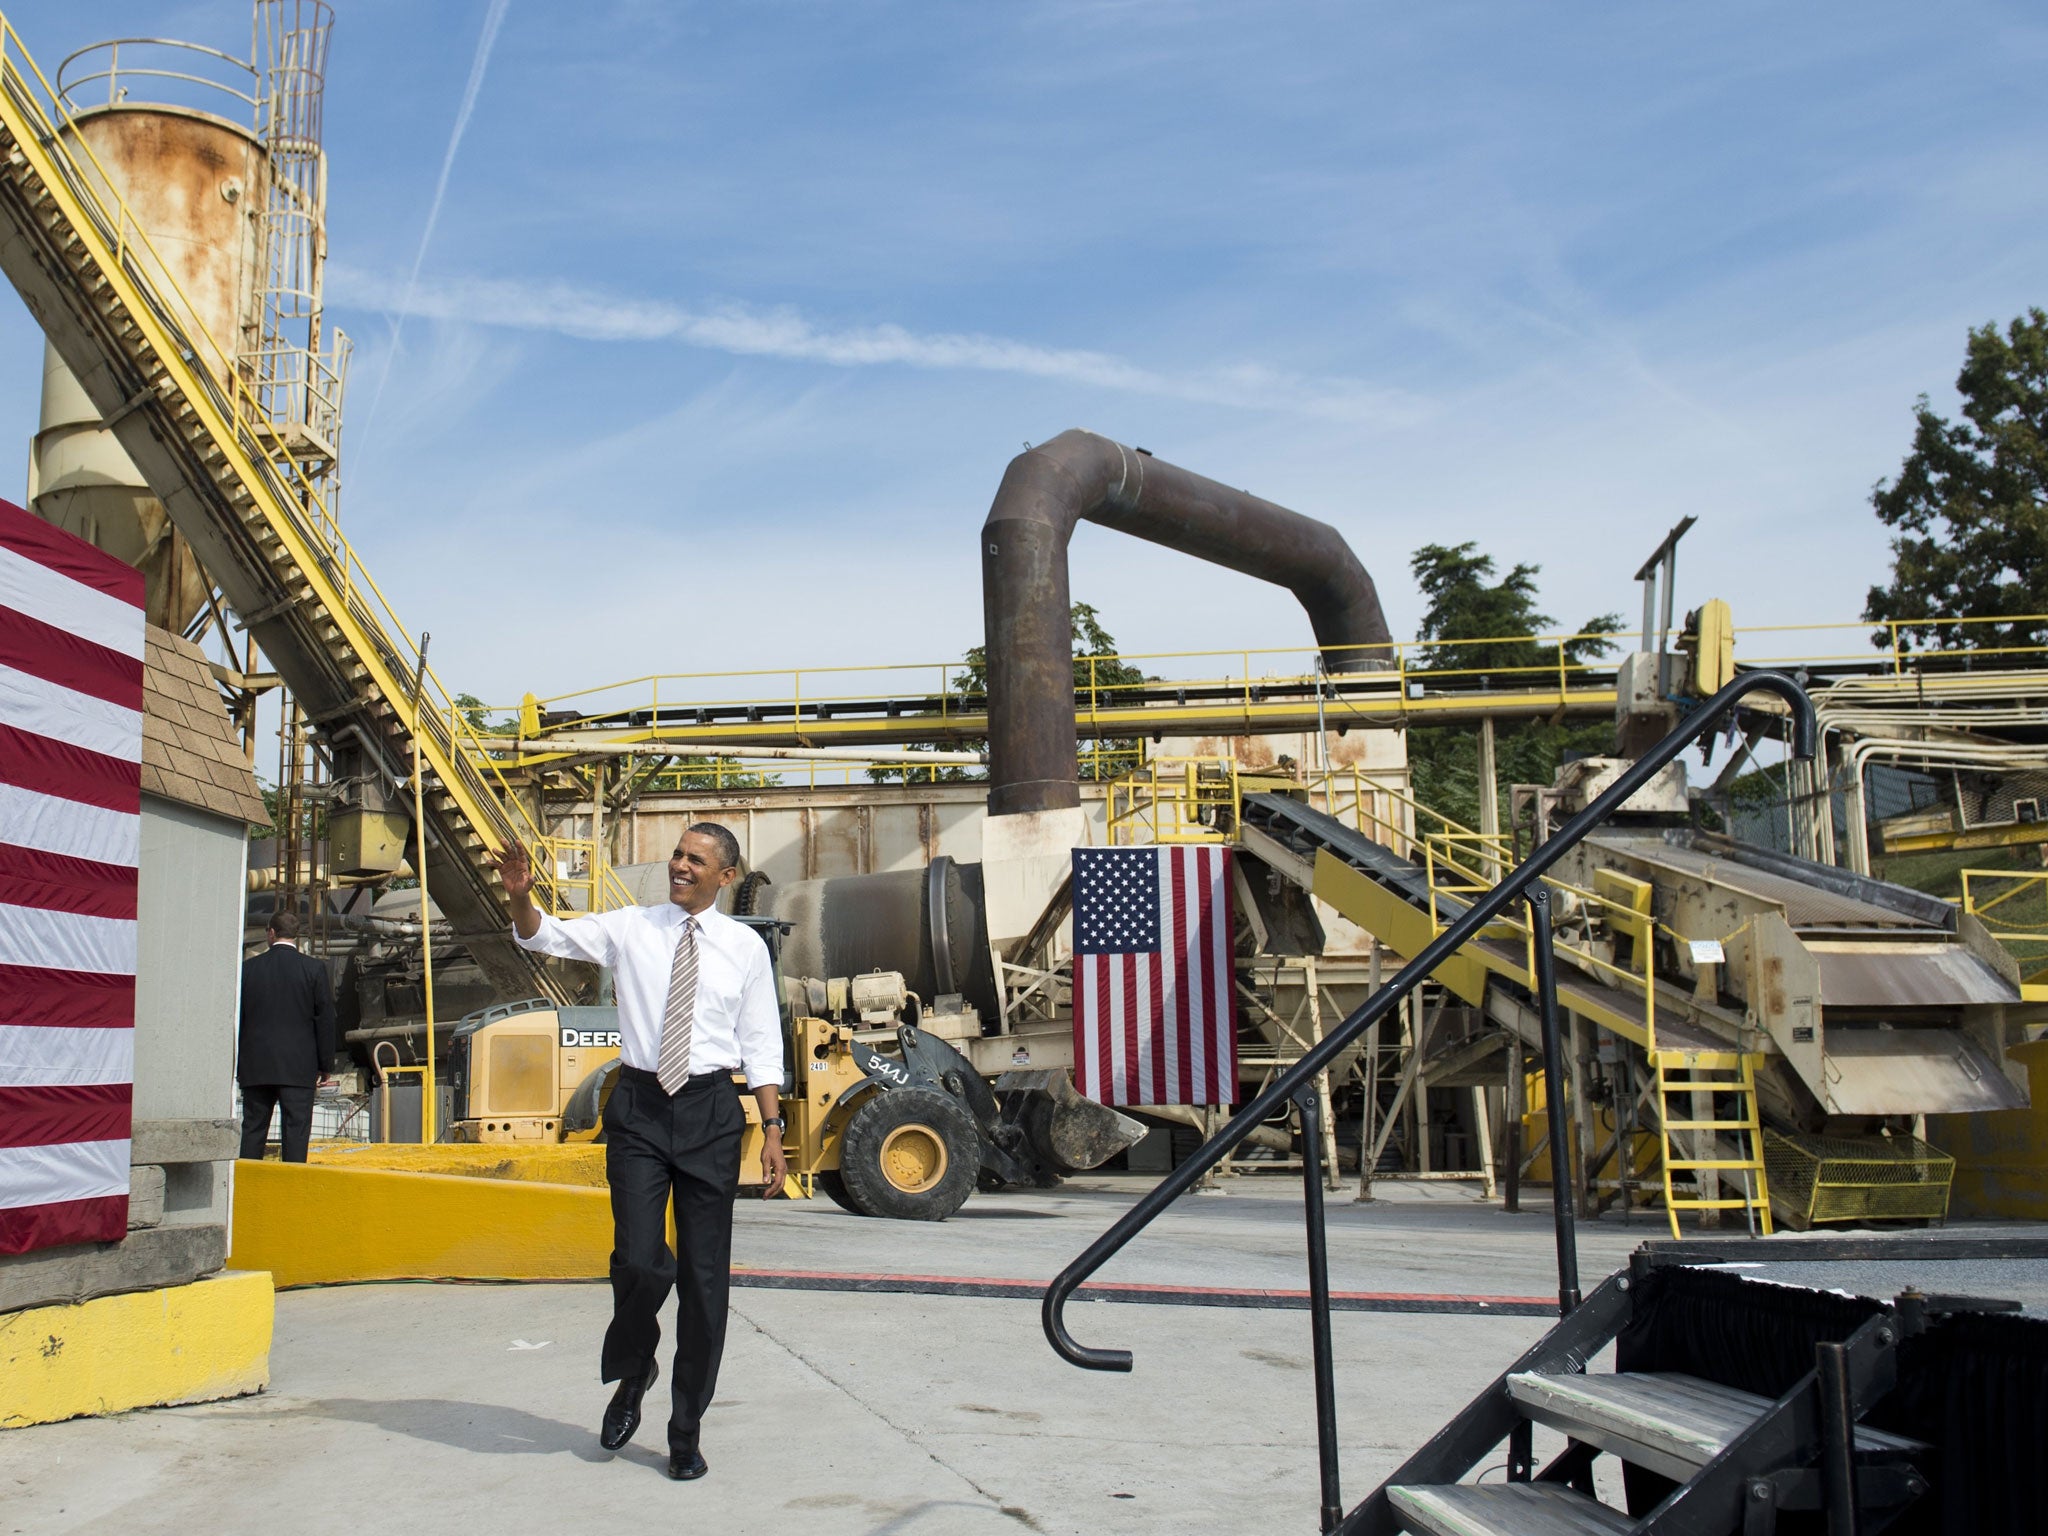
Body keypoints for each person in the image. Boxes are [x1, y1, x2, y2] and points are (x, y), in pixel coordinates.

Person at [485, 824, 786, 1482]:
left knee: (705, 1284)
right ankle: (635, 1369)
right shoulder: (633, 927)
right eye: (678, 854)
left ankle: (685, 1428)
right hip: (642, 1109)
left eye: (695, 860)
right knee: (640, 1259)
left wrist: (772, 1129)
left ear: (725, 877)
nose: (679, 866)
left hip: (710, 1112)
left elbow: (762, 1042)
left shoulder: (744, 949)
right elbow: (546, 935)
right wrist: (518, 898)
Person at [236, 909, 337, 1163]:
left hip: (256, 1065)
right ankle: (292, 1190)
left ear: (271, 933)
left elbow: (238, 1018)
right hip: (298, 1067)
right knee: (296, 1131)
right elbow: (324, 1019)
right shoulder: (314, 969)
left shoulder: (248, 970)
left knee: (253, 1129)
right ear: (296, 935)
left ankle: (247, 1189)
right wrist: (326, 1065)